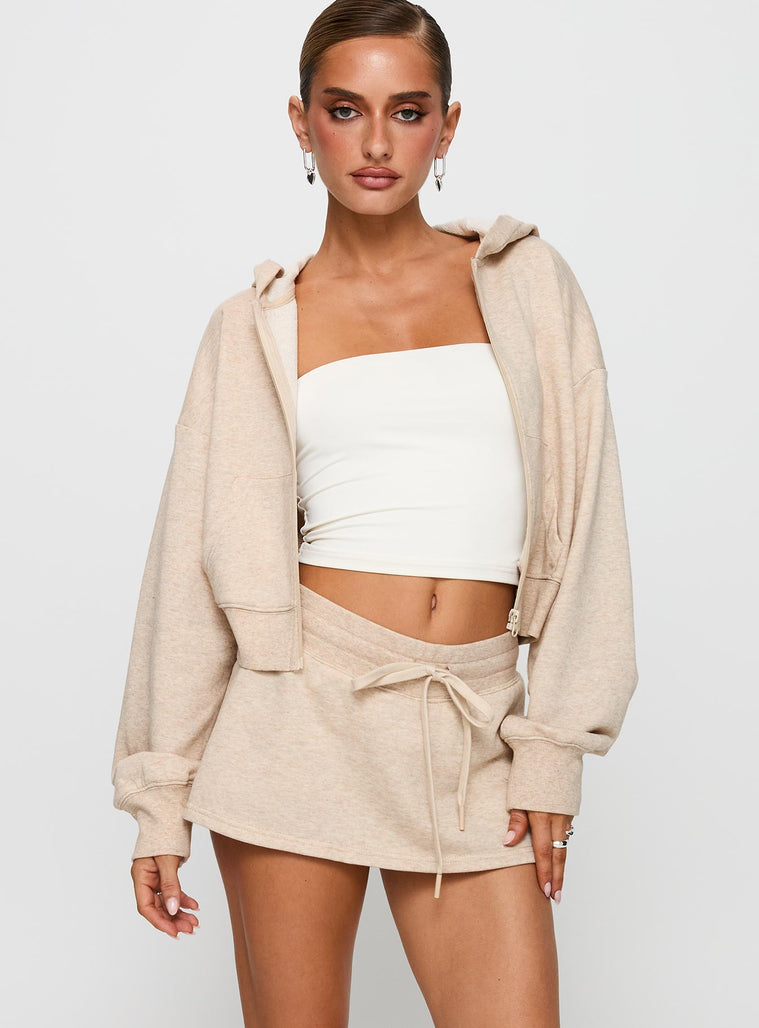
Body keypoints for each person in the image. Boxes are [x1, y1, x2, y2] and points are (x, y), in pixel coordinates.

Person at [110, 1, 639, 1024]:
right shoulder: (253, 327)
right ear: (302, 122)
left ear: (448, 126)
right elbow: (187, 566)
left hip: (474, 719)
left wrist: (552, 748)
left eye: (408, 110)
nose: (377, 142)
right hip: (297, 718)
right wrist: (159, 795)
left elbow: (591, 523)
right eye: (345, 109)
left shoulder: (526, 283)